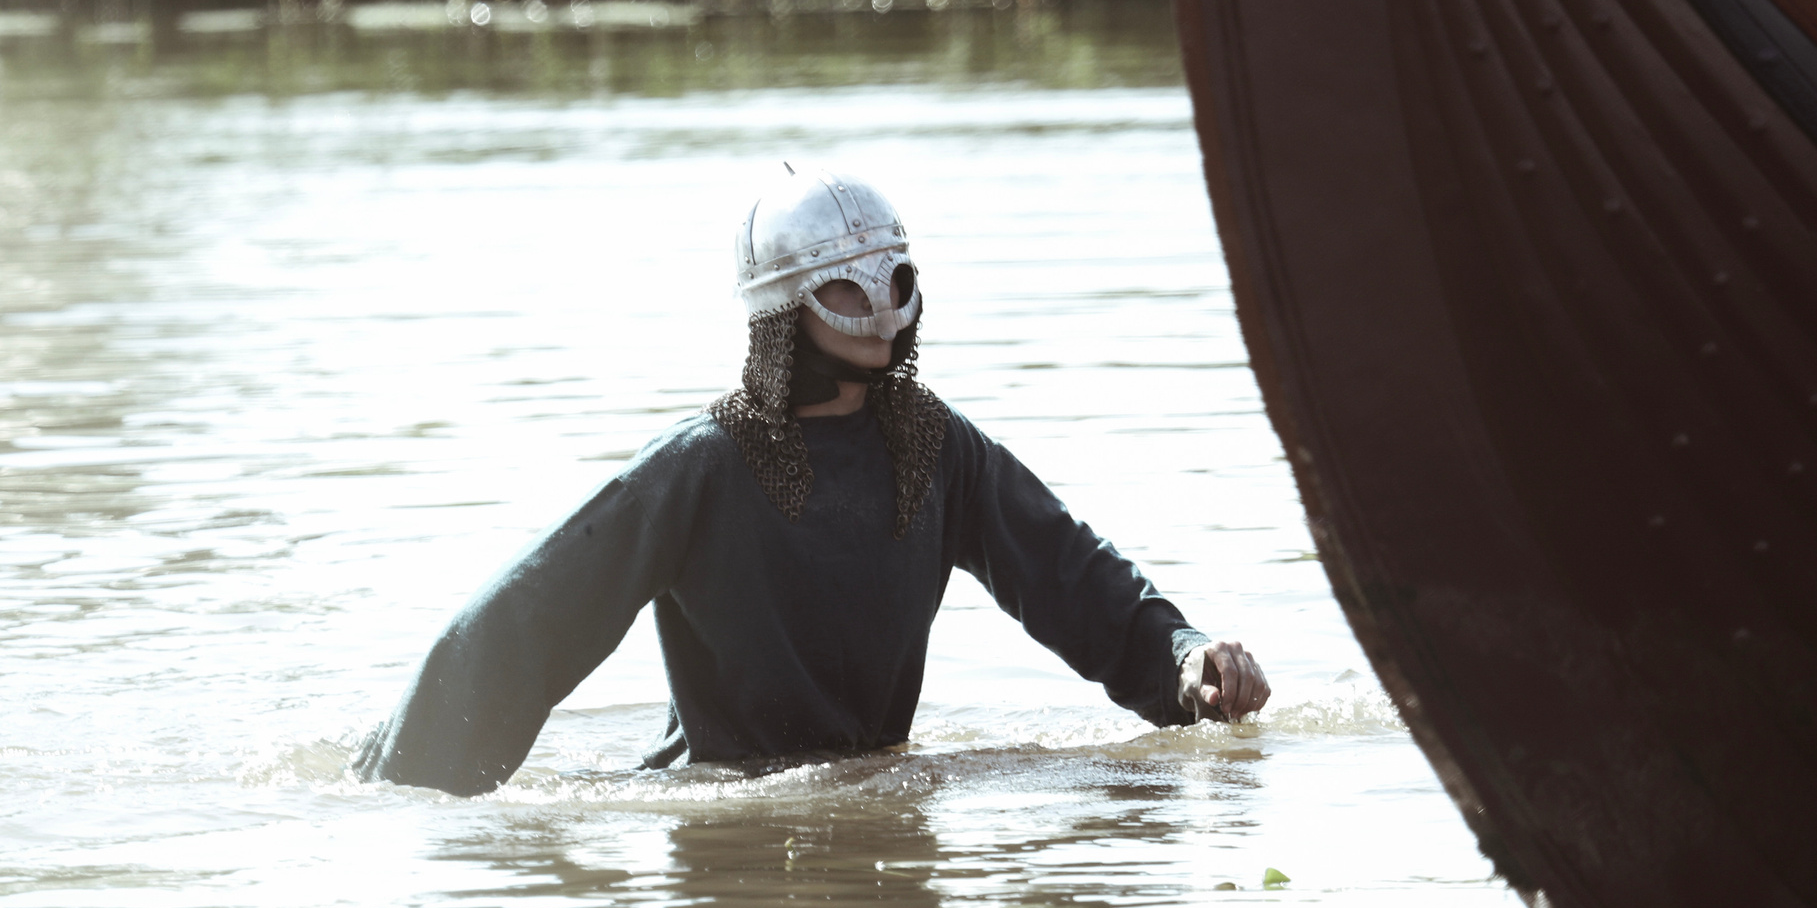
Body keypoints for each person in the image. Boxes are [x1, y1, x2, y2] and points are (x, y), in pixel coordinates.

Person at [350, 165, 1270, 796]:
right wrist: (398, 791)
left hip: (874, 795)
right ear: (783, 305)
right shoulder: (704, 464)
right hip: (715, 801)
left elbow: (1072, 575)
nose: (880, 310)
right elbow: (524, 625)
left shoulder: (936, 447)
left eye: (893, 280)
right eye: (844, 289)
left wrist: (1185, 660)